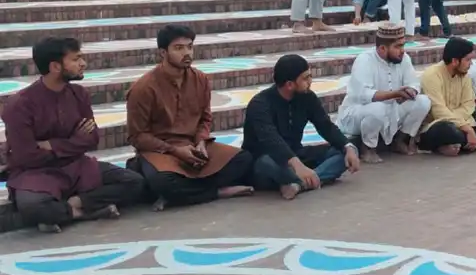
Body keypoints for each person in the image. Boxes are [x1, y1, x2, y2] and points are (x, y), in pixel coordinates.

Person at [3, 37, 143, 233]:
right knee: (33, 206)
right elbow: (26, 156)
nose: (83, 64)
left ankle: (73, 206)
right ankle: (86, 212)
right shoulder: (20, 105)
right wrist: (74, 142)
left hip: (78, 166)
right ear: (55, 66)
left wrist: (52, 145)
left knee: (134, 182)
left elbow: (91, 138)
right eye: (76, 59)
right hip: (37, 173)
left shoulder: (79, 94)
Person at [127, 25, 256, 209]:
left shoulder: (200, 79)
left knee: (243, 160)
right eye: (179, 48)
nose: (187, 53)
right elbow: (137, 136)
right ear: (163, 52)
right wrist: (174, 150)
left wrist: (201, 142)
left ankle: (183, 194)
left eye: (190, 46)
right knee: (163, 181)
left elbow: (205, 118)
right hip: (160, 152)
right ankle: (216, 192)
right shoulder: (144, 88)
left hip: (194, 146)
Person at [242, 54, 361, 200]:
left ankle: (298, 185)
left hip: (296, 155)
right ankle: (309, 178)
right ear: (290, 84)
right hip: (267, 162)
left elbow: (325, 126)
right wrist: (297, 165)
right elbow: (271, 140)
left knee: (342, 154)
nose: (310, 81)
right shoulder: (259, 104)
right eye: (305, 78)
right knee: (266, 163)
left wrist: (347, 147)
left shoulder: (307, 97)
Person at [335, 23, 432, 163]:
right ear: (382, 48)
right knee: (378, 108)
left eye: (403, 45)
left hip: (391, 110)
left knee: (423, 101)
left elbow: (414, 83)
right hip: (357, 114)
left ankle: (399, 141)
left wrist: (411, 91)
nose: (402, 50)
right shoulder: (364, 60)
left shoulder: (403, 59)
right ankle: (368, 148)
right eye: (398, 47)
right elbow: (363, 95)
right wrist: (394, 94)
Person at [419, 36, 476, 154]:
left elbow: (469, 105)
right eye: (467, 60)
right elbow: (439, 112)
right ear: (455, 61)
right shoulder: (431, 75)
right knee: (447, 128)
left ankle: (454, 145)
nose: (470, 64)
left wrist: (460, 124)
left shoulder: (465, 75)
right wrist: (467, 128)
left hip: (462, 122)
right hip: (436, 125)